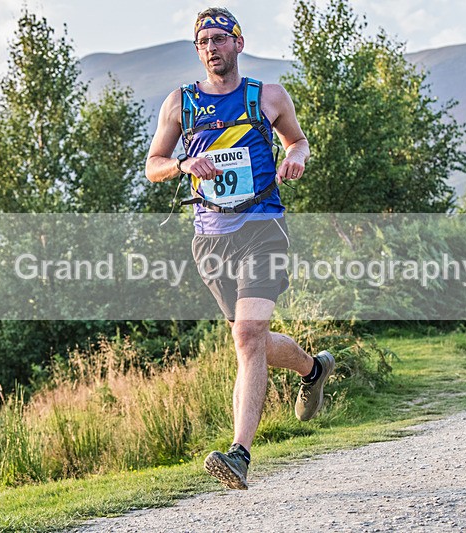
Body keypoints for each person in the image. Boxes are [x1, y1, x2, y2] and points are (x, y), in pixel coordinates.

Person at [144, 7, 335, 490]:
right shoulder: (179, 104)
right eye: (202, 41)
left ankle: (239, 455)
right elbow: (153, 165)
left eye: (218, 38)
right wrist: (185, 164)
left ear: (238, 43)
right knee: (250, 341)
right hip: (210, 236)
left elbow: (298, 141)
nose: (211, 47)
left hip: (262, 225)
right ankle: (313, 370)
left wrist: (295, 158)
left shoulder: (265, 96)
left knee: (249, 335)